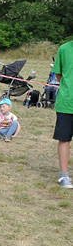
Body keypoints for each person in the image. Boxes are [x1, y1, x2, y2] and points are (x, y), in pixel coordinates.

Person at [52, 40, 73, 188]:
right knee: (64, 139)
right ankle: (64, 175)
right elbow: (58, 75)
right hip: (67, 102)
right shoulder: (64, 49)